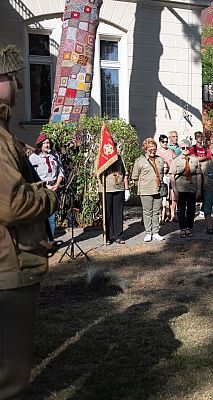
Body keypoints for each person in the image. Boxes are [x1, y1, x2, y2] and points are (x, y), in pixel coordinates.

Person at [0, 43, 58, 399]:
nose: (20, 85)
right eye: (11, 77)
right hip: (8, 266)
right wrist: (47, 195)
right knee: (10, 373)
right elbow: (11, 205)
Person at [28, 133, 64, 240]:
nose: (47, 145)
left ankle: (50, 241)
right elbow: (32, 176)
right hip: (42, 189)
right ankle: (41, 240)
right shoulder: (34, 158)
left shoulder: (55, 156)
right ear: (40, 145)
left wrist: (57, 184)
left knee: (52, 217)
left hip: (54, 188)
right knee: (41, 216)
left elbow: (61, 172)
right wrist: (45, 186)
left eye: (48, 143)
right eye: (44, 143)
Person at [132, 138, 165, 242]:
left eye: (154, 149)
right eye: (150, 149)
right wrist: (141, 187)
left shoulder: (160, 160)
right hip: (146, 191)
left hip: (158, 190)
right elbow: (135, 177)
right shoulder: (140, 161)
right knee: (147, 212)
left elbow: (162, 174)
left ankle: (155, 232)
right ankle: (148, 233)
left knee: (156, 212)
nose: (152, 151)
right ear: (145, 149)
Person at [170, 140, 200, 238]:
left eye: (187, 148)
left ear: (190, 148)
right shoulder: (176, 160)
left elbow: (199, 175)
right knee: (181, 209)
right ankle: (182, 228)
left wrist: (199, 189)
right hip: (180, 188)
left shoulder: (195, 160)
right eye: (183, 148)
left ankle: (189, 228)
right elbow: (172, 176)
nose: (185, 150)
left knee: (191, 209)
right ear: (180, 148)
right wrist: (174, 190)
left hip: (192, 187)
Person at [100, 150, 130, 244]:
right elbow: (95, 173)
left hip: (119, 188)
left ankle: (118, 236)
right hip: (106, 189)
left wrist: (126, 189)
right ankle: (108, 236)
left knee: (118, 213)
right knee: (107, 213)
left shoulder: (119, 157)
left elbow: (125, 173)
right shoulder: (101, 157)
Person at [156, 134, 177, 222]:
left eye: (166, 142)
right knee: (162, 196)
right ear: (160, 142)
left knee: (173, 196)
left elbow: (176, 162)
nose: (165, 143)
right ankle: (162, 216)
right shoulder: (157, 152)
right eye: (163, 142)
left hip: (170, 175)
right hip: (160, 176)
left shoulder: (171, 151)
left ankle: (173, 215)